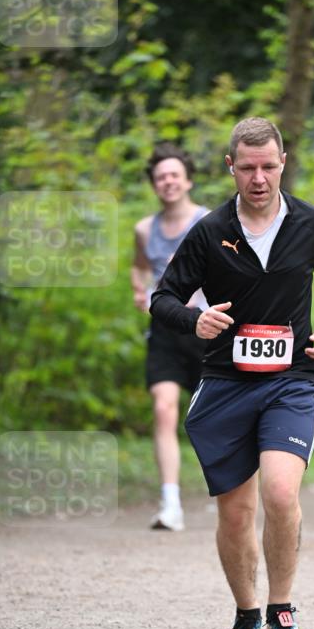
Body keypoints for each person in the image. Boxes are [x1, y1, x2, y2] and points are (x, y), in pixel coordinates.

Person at [150, 117, 314, 629]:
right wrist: (193, 320)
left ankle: (281, 611)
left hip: (291, 381)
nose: (259, 178)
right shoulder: (209, 230)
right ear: (230, 167)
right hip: (224, 383)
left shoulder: (312, 224)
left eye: (268, 166)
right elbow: (163, 298)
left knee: (281, 493)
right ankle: (246, 614)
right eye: (247, 167)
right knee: (236, 511)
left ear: (283, 163)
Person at [131, 143, 209, 531]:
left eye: (174, 174)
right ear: (154, 184)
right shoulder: (144, 229)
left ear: (188, 180)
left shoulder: (210, 222)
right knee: (164, 409)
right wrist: (140, 292)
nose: (168, 181)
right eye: (161, 176)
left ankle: (228, 491)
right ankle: (170, 503)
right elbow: (140, 269)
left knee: (212, 417)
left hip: (205, 327)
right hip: (163, 329)